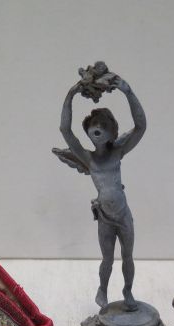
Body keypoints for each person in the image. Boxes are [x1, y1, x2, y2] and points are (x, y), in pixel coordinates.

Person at [54, 76, 146, 311]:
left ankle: (128, 291)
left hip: (123, 215)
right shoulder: (88, 158)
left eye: (103, 125)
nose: (97, 128)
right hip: (105, 217)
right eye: (94, 124)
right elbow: (65, 130)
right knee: (107, 259)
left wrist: (128, 91)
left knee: (127, 256)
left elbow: (141, 126)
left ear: (112, 132)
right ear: (87, 130)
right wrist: (71, 94)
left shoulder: (118, 152)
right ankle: (102, 289)